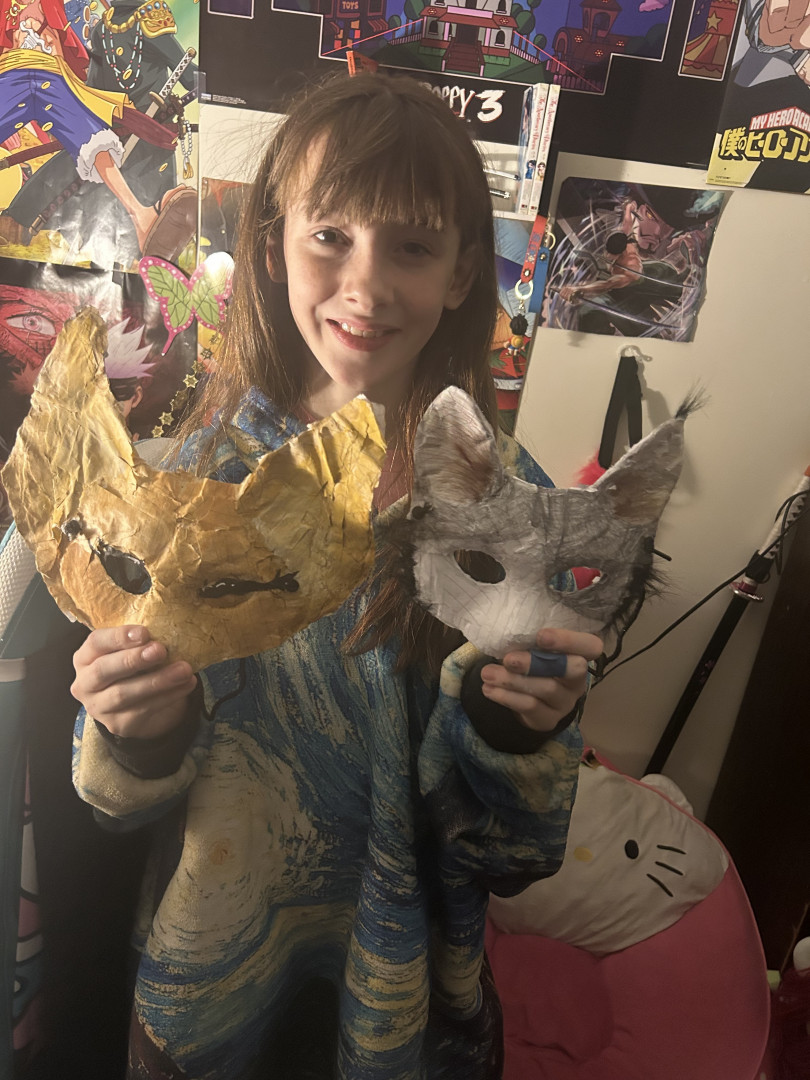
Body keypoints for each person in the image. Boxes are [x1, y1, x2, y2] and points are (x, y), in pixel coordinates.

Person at [69, 71, 603, 1079]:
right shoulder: (191, 485)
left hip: (409, 998)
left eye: (412, 247)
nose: (366, 285)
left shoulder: (507, 509)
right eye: (331, 236)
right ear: (273, 246)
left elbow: (519, 853)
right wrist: (137, 726)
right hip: (215, 976)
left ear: (460, 273)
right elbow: (114, 805)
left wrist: (517, 732)